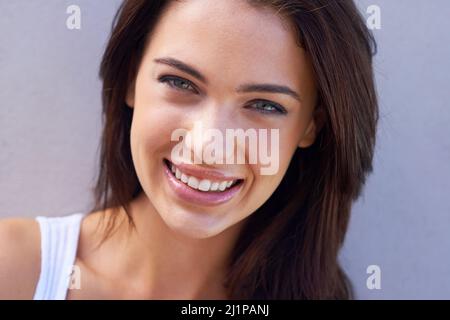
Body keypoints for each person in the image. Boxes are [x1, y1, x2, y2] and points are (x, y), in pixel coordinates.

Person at [0, 0, 378, 299]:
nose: (207, 147)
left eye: (265, 105)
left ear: (311, 126)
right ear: (131, 78)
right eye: (180, 82)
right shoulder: (14, 270)